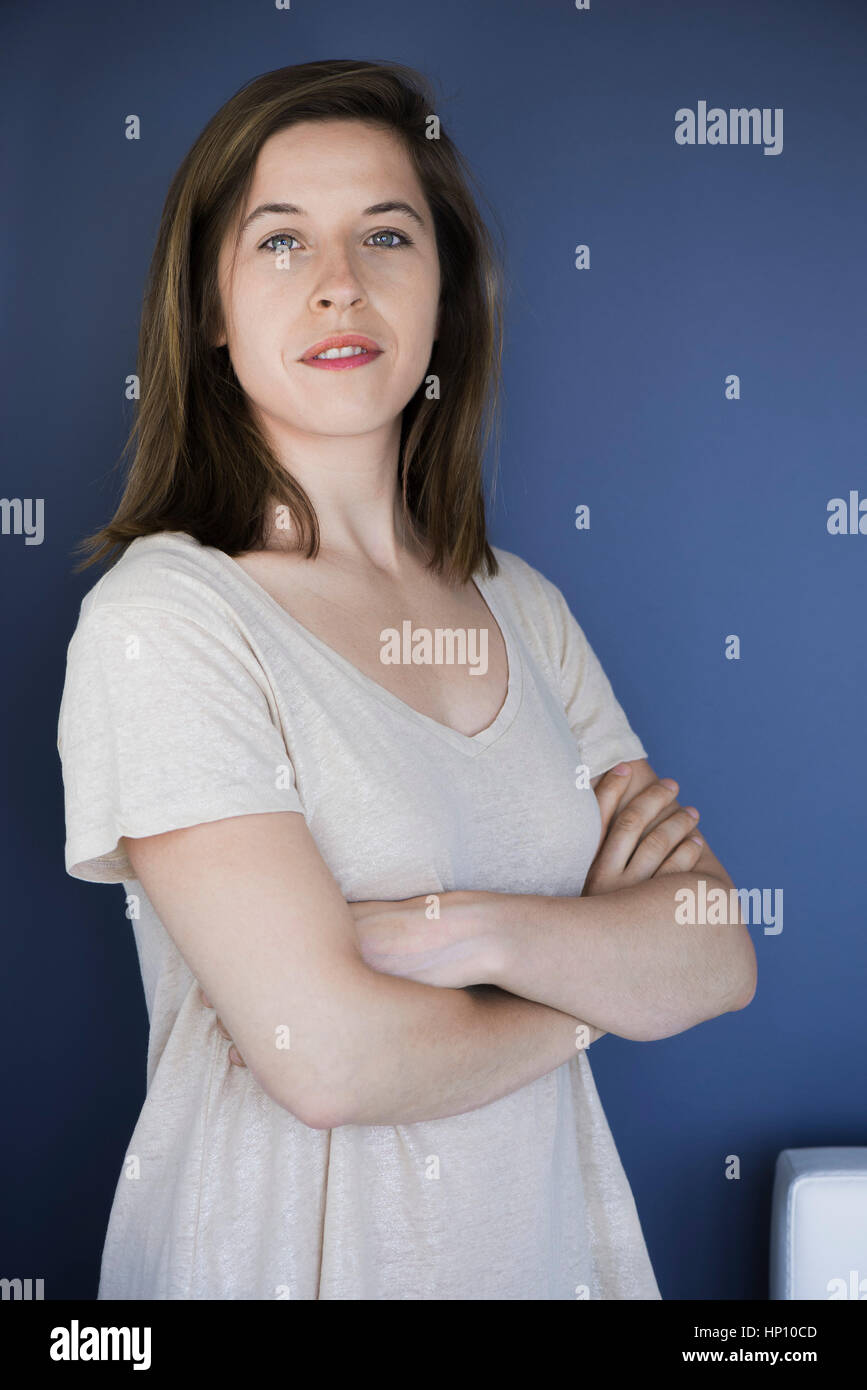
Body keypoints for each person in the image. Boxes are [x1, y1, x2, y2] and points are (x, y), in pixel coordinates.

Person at [57, 59, 756, 1300]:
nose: (340, 281)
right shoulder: (165, 619)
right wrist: (595, 984)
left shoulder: (523, 608)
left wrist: (459, 929)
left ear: (444, 293)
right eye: (281, 240)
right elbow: (326, 1059)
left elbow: (715, 953)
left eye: (387, 234)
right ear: (210, 306)